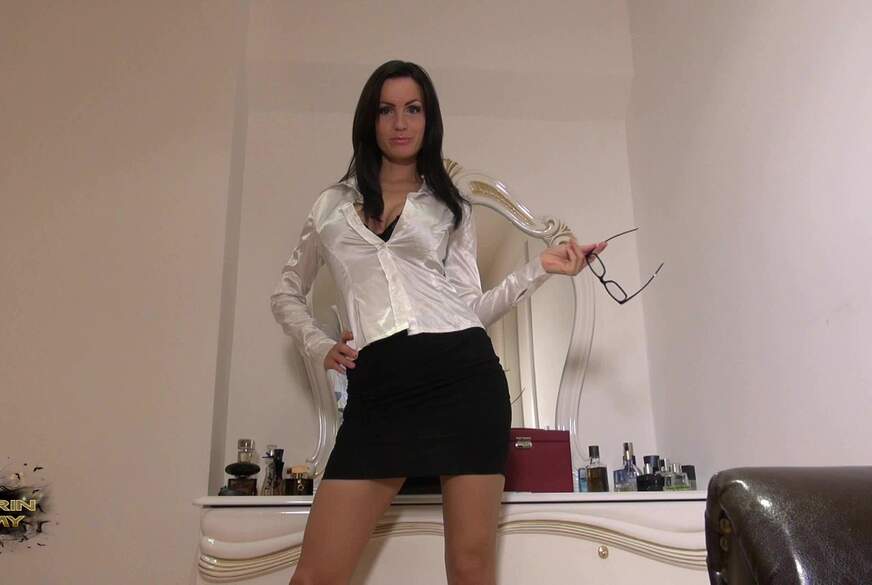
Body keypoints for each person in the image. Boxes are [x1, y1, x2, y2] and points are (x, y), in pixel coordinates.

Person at [270, 60, 607, 585]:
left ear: (429, 120)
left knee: (470, 569)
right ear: (369, 120)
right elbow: (286, 291)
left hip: (464, 381)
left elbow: (472, 308)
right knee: (315, 575)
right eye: (386, 110)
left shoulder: (451, 206)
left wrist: (539, 268)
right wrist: (318, 344)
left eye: (413, 109)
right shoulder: (330, 207)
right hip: (380, 392)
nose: (400, 122)